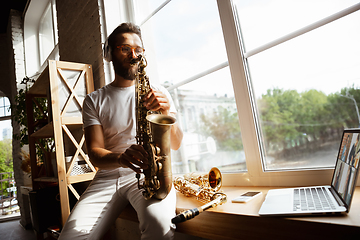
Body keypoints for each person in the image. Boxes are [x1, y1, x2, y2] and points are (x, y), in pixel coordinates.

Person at [58, 22, 183, 240]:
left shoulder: (159, 93)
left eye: (139, 50)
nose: (134, 55)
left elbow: (176, 144)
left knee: (160, 227)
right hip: (107, 176)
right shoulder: (94, 100)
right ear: (110, 54)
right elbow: (95, 152)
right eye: (125, 48)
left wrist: (165, 111)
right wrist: (122, 158)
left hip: (150, 174)